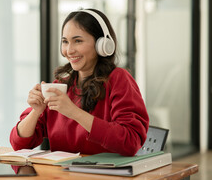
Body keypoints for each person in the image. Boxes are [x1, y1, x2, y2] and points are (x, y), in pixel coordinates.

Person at [10, 8, 149, 156]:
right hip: (65, 176)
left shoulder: (119, 79)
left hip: (106, 177)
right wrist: (36, 112)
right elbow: (18, 144)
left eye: (77, 41)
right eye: (65, 42)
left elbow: (130, 142)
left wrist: (74, 112)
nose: (69, 50)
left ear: (102, 44)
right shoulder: (61, 86)